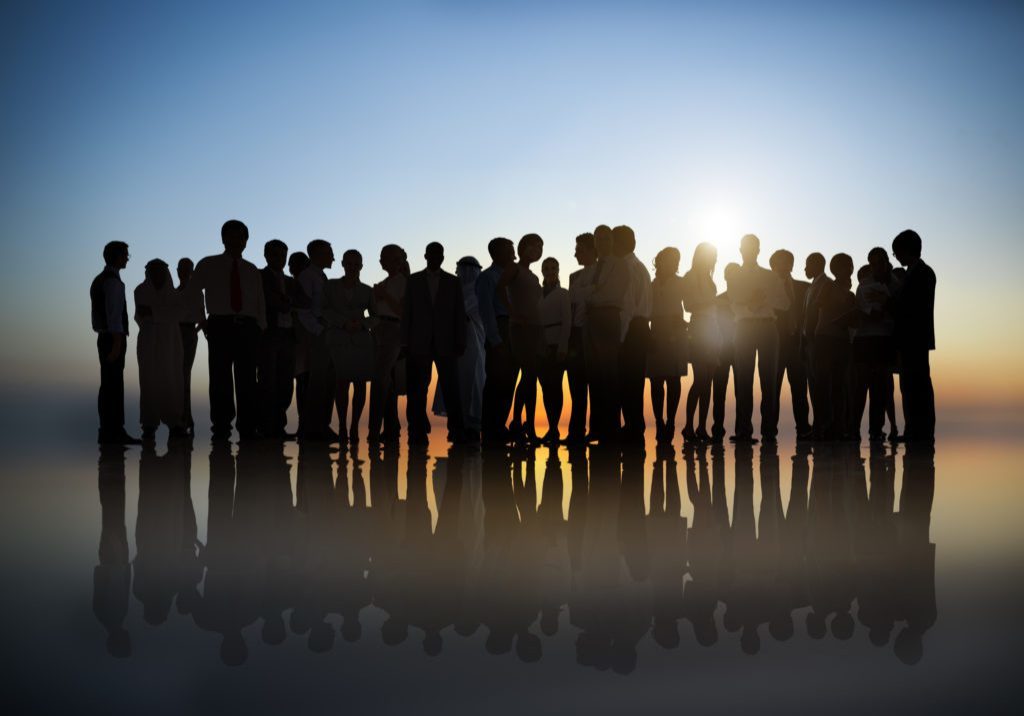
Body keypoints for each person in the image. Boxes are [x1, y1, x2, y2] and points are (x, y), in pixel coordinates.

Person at [190, 220, 267, 440]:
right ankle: (221, 427)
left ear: (246, 241)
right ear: (223, 239)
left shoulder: (251, 269)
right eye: (231, 236)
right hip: (220, 325)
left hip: (248, 327)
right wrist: (201, 319)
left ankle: (248, 426)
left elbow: (259, 300)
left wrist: (260, 326)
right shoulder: (208, 264)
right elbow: (194, 292)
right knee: (220, 377)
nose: (236, 240)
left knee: (247, 379)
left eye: (240, 236)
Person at [402, 242, 468, 445]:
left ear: (442, 257)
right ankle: (417, 431)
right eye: (432, 254)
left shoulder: (453, 282)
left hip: (446, 343)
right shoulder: (413, 281)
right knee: (417, 389)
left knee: (451, 388)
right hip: (418, 343)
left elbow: (459, 314)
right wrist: (406, 342)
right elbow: (407, 313)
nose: (435, 257)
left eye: (439, 254)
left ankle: (456, 431)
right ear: (425, 256)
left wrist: (460, 341)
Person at [730, 234, 789, 443]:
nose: (749, 251)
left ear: (758, 250)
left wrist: (764, 297)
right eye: (745, 247)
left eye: (752, 247)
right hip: (744, 329)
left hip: (767, 328)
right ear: (740, 250)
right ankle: (744, 430)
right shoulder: (735, 276)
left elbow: (784, 304)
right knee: (743, 380)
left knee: (769, 381)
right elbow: (732, 304)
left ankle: (769, 431)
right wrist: (751, 304)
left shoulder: (770, 276)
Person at [888, 229, 936, 443]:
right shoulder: (915, 274)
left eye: (896, 252)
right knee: (909, 385)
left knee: (918, 385)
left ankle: (921, 430)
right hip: (910, 339)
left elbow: (913, 307)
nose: (896, 257)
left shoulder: (923, 273)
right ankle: (913, 430)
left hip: (914, 338)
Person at [324, 249, 376, 443]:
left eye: (356, 264)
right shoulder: (331, 286)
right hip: (338, 340)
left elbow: (376, 316)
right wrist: (342, 323)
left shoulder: (367, 290)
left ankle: (355, 425)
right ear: (343, 265)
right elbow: (324, 309)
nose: (352, 268)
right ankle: (343, 426)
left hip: (361, 342)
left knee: (361, 384)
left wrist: (362, 324)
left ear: (361, 267)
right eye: (349, 264)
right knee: (341, 383)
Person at [91, 241, 141, 445]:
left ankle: (108, 431)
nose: (127, 258)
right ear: (117, 256)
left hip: (106, 337)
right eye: (125, 255)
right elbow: (114, 317)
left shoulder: (100, 280)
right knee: (113, 385)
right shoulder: (112, 282)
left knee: (109, 384)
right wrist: (117, 343)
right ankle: (114, 431)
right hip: (113, 338)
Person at [433, 256, 486, 441]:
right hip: (453, 344)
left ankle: (472, 426)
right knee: (454, 382)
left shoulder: (479, 291)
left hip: (475, 343)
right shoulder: (453, 290)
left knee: (473, 382)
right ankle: (456, 425)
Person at [585, 224, 629, 443]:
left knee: (610, 375)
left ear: (612, 241)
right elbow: (578, 293)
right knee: (594, 375)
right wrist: (591, 295)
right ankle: (596, 428)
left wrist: (592, 296)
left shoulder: (620, 265)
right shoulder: (592, 267)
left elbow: (614, 293)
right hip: (591, 321)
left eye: (605, 238)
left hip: (609, 319)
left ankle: (611, 428)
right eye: (598, 239)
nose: (601, 242)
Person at [500, 234, 545, 443]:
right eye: (534, 246)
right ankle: (517, 422)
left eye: (541, 247)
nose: (537, 250)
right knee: (527, 375)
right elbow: (499, 289)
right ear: (523, 248)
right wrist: (512, 313)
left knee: (531, 377)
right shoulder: (514, 268)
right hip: (520, 330)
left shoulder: (534, 277)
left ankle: (528, 426)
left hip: (535, 331)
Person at [134, 259, 186, 439]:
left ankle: (175, 423)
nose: (157, 274)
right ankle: (149, 424)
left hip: (171, 343)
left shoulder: (175, 295)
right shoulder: (140, 291)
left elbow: (177, 314)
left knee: (172, 380)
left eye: (160, 271)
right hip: (148, 343)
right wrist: (162, 313)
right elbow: (141, 314)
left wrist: (154, 312)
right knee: (148, 381)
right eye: (153, 271)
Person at [477, 237, 518, 444]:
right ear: (497, 253)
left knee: (509, 381)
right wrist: (495, 339)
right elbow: (486, 311)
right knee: (495, 382)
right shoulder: (487, 278)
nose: (513, 254)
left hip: (514, 329)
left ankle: (499, 425)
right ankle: (490, 430)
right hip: (500, 329)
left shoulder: (513, 276)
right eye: (510, 250)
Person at [811, 253, 857, 440]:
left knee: (839, 385)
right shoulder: (828, 286)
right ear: (837, 270)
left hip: (842, 341)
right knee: (823, 384)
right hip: (825, 339)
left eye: (851, 266)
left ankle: (839, 425)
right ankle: (823, 426)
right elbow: (819, 305)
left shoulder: (851, 294)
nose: (850, 270)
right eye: (847, 266)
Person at [615, 225, 652, 444]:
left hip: (630, 330)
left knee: (627, 382)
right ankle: (634, 427)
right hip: (640, 329)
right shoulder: (641, 267)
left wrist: (620, 339)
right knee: (635, 383)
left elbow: (627, 307)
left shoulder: (626, 269)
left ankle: (632, 428)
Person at [679, 243, 720, 442]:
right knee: (701, 379)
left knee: (708, 381)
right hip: (699, 327)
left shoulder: (708, 278)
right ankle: (689, 426)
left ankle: (702, 428)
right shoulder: (690, 276)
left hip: (712, 329)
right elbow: (689, 305)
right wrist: (713, 302)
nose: (712, 260)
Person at [296, 239, 336, 441]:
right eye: (330, 253)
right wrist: (319, 330)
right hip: (316, 337)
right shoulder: (307, 277)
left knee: (328, 382)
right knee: (316, 383)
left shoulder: (321, 277)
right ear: (318, 254)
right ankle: (312, 427)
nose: (333, 257)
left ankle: (322, 425)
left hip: (325, 336)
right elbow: (303, 311)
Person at [769, 249, 811, 439]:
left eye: (788, 262)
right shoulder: (766, 290)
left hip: (797, 345)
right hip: (774, 345)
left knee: (800, 390)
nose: (785, 266)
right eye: (780, 262)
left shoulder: (804, 288)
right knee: (771, 390)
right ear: (772, 266)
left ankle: (803, 428)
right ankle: (769, 430)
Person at [648, 247, 688, 442]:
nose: (674, 263)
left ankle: (671, 421)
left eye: (676, 260)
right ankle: (659, 421)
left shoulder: (681, 283)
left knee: (673, 379)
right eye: (670, 259)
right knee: (656, 380)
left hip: (676, 333)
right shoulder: (651, 285)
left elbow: (689, 304)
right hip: (656, 332)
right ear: (660, 261)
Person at [369, 244, 408, 443]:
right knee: (387, 381)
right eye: (382, 257)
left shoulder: (403, 283)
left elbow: (402, 312)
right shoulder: (385, 282)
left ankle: (374, 430)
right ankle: (390, 428)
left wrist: (384, 296)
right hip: (380, 329)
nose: (382, 260)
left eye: (387, 257)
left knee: (380, 378)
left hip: (394, 330)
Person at [257, 240, 296, 440]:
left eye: (282, 255)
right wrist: (284, 302)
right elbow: (268, 300)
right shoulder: (259, 277)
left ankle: (278, 427)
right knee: (267, 382)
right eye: (275, 255)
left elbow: (299, 302)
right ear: (266, 256)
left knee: (285, 384)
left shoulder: (290, 281)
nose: (279, 259)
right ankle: (266, 427)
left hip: (288, 335)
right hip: (269, 335)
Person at [566, 233, 597, 444]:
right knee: (576, 387)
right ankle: (575, 432)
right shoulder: (574, 277)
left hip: (593, 333)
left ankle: (596, 430)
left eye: (579, 249)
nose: (575, 253)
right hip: (575, 334)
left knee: (595, 386)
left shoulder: (601, 274)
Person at [537, 257, 571, 444]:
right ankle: (551, 427)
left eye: (553, 268)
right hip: (540, 346)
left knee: (555, 387)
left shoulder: (563, 294)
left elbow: (567, 322)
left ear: (558, 270)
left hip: (556, 345)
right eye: (546, 268)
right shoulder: (538, 295)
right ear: (542, 271)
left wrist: (562, 346)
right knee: (545, 388)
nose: (550, 271)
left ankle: (554, 428)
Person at [802, 252, 832, 437]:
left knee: (822, 385)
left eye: (807, 264)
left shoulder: (826, 285)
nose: (805, 268)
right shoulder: (810, 288)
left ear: (817, 264)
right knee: (813, 385)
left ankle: (825, 425)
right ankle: (819, 424)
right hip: (809, 342)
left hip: (819, 342)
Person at [710, 263, 739, 442]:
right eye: (730, 275)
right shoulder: (719, 300)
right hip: (721, 348)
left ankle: (741, 429)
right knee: (719, 390)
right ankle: (717, 428)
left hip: (740, 347)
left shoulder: (742, 301)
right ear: (726, 277)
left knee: (741, 390)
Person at [176, 258, 204, 434]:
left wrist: (194, 332)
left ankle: (185, 418)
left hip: (188, 332)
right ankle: (180, 417)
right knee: (177, 375)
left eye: (188, 269)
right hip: (174, 333)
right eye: (182, 269)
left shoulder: (195, 292)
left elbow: (202, 318)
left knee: (184, 374)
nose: (184, 272)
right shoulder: (173, 291)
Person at [287, 251, 311, 431]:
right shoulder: (292, 284)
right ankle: (304, 423)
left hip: (305, 338)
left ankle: (305, 423)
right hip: (295, 338)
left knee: (304, 381)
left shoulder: (302, 282)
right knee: (301, 380)